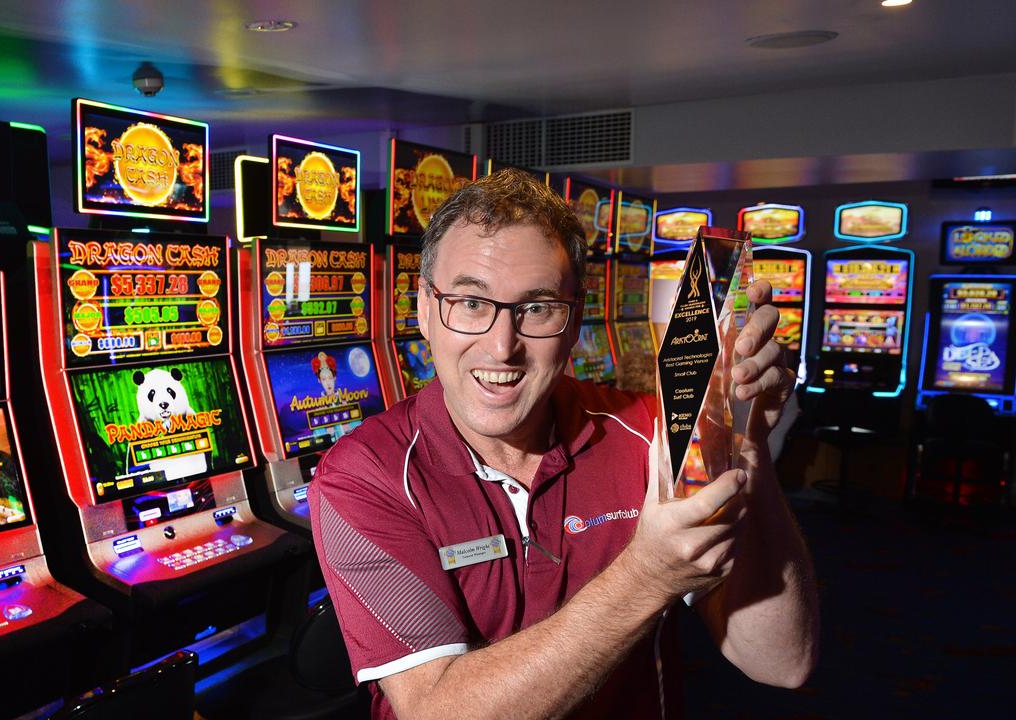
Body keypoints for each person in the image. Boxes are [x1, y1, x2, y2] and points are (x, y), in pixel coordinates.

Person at [308, 169, 818, 719]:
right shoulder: (362, 476)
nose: (502, 347)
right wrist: (647, 577)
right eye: (471, 303)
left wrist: (746, 440)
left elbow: (781, 661)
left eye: (537, 307)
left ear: (576, 321)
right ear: (425, 312)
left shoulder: (646, 432)